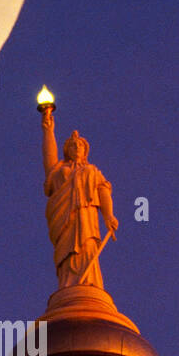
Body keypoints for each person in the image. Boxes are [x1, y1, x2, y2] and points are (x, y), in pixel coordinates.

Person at [41, 106, 118, 289]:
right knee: (66, 253)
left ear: (85, 151)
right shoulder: (59, 171)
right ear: (66, 150)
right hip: (63, 219)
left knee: (88, 248)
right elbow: (49, 159)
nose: (77, 147)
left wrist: (108, 216)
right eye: (72, 146)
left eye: (80, 145)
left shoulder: (92, 171)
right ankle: (68, 286)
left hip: (86, 219)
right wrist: (48, 131)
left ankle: (89, 285)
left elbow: (103, 191)